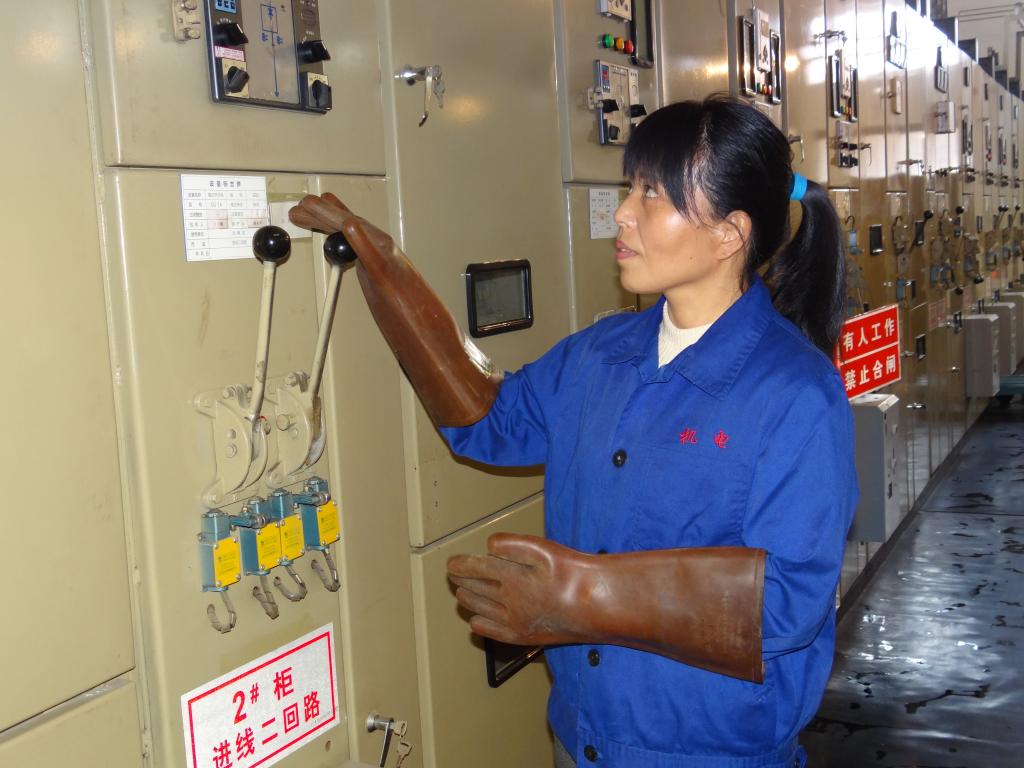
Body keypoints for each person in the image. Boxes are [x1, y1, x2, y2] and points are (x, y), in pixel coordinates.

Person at [290, 95, 858, 768]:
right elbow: (486, 421)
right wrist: (386, 269)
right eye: (630, 188)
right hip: (581, 739)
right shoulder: (598, 356)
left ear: (730, 233)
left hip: (708, 754)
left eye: (653, 194)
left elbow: (788, 603)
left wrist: (582, 594)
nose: (623, 212)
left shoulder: (795, 394)